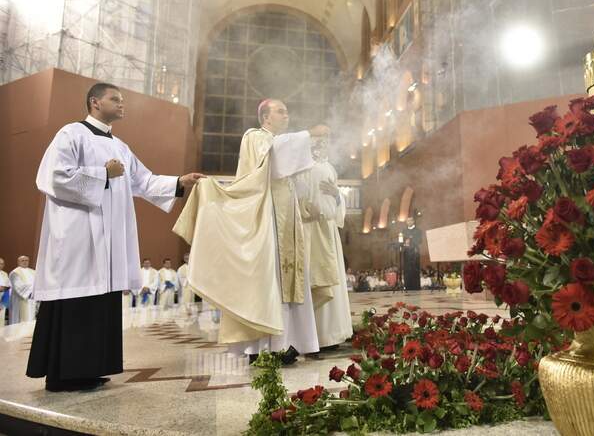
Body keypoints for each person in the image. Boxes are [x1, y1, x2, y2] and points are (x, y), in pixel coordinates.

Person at [26, 82, 204, 392]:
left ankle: (91, 369)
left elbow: (143, 181)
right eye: (115, 99)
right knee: (77, 297)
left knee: (102, 301)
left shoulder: (120, 147)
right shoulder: (71, 134)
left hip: (108, 241)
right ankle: (63, 375)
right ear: (95, 102)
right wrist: (102, 174)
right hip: (78, 237)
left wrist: (179, 181)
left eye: (122, 100)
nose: (122, 104)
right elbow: (52, 176)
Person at [174, 98, 329, 364]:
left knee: (288, 282)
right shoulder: (255, 137)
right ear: (265, 117)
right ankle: (263, 346)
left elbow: (295, 177)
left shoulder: (281, 143)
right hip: (266, 221)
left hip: (289, 225)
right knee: (268, 281)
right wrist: (308, 134)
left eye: (287, 111)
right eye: (280, 111)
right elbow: (275, 158)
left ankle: (287, 343)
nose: (286, 115)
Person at [294, 135, 353, 350]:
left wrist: (337, 196)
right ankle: (313, 336)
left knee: (332, 281)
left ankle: (332, 335)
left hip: (327, 230)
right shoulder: (299, 169)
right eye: (318, 140)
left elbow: (337, 201)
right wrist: (306, 210)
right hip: (308, 230)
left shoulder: (329, 167)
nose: (322, 145)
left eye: (326, 140)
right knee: (313, 282)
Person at [10, 255, 36, 324]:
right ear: (18, 262)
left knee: (32, 318)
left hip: (32, 300)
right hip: (21, 299)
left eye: (26, 260)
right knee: (21, 320)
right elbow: (19, 286)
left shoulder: (34, 272)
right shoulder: (15, 272)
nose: (25, 262)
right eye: (22, 260)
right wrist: (33, 289)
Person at [401, 217, 422, 291]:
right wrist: (404, 243)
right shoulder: (404, 231)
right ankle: (407, 286)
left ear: (413, 221)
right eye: (407, 221)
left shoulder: (418, 231)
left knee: (415, 269)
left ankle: (416, 287)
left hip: (415, 253)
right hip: (406, 253)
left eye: (410, 220)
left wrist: (410, 240)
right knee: (407, 270)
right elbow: (401, 241)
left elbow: (420, 240)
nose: (409, 222)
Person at [0, 258, 10, 327]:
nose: (0, 265)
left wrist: (5, 301)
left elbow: (8, 286)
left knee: (1, 317)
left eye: (2, 264)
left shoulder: (5, 274)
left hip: (3, 298)